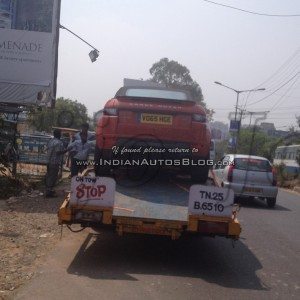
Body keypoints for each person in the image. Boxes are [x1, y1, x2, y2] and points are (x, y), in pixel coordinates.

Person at [45, 129, 64, 197]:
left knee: (49, 175)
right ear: (59, 134)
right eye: (60, 133)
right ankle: (49, 192)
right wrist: (67, 150)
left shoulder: (50, 141)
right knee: (52, 177)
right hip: (54, 162)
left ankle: (49, 190)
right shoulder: (58, 142)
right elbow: (58, 152)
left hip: (49, 161)